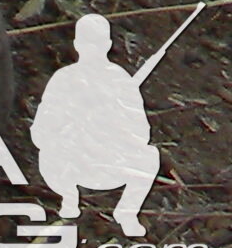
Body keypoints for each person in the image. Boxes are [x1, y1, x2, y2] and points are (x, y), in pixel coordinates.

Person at [35, 13, 162, 235]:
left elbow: (141, 132)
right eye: (87, 42)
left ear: (108, 45)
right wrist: (70, 128)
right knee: (49, 153)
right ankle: (68, 199)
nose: (91, 48)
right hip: (71, 163)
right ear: (76, 45)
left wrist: (113, 127)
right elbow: (41, 129)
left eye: (97, 42)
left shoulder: (120, 81)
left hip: (108, 162)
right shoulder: (63, 79)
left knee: (149, 156)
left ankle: (127, 213)